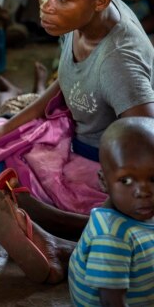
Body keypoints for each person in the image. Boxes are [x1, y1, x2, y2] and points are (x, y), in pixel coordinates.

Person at [0, 0, 154, 284]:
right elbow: (66, 80)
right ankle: (47, 228)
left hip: (99, 166)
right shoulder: (78, 18)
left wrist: (120, 190)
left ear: (101, 0)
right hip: (70, 130)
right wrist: (7, 127)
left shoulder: (120, 62)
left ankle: (62, 240)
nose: (46, 4)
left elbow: (146, 142)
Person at [68, 117, 154, 306]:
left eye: (153, 178)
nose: (143, 192)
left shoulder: (139, 211)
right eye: (126, 181)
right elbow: (111, 302)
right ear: (104, 182)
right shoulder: (112, 237)